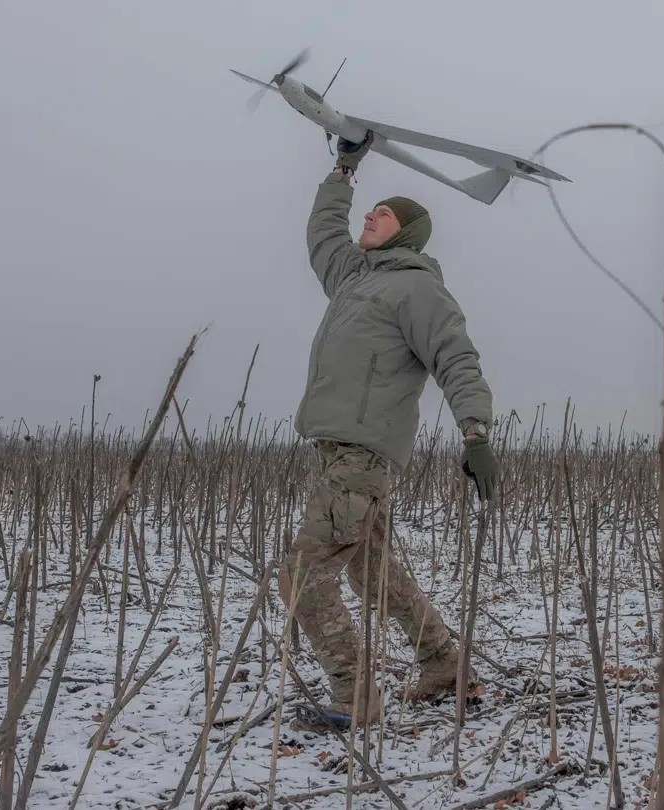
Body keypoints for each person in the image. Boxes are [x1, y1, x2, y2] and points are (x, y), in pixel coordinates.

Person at [277, 129, 501, 731]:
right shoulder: (354, 279)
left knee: (301, 576)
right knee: (370, 571)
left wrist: (475, 432)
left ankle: (355, 696)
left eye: (382, 215)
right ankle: (444, 665)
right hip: (338, 452)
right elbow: (323, 233)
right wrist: (343, 173)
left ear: (403, 232)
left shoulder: (418, 289)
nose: (370, 218)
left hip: (361, 455)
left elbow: (457, 357)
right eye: (370, 210)